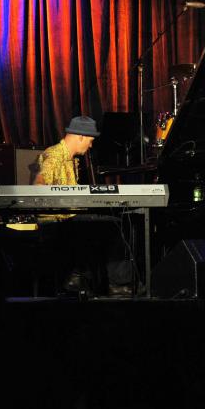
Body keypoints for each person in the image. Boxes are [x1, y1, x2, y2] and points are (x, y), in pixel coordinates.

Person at [33, 116, 133, 296]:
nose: (91, 145)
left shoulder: (72, 160)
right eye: (90, 140)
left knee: (109, 223)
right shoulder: (54, 155)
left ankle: (80, 277)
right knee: (114, 226)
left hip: (70, 218)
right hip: (56, 222)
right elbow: (39, 186)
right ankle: (114, 284)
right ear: (80, 137)